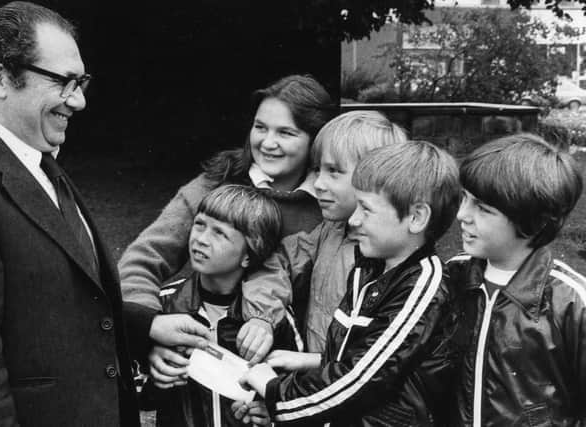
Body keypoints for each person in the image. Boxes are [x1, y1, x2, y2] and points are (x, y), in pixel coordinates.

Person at [0, 2, 197, 425]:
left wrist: (142, 328)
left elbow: (56, 301)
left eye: (80, 82)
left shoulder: (41, 162)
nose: (78, 101)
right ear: (1, 79)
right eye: (64, 82)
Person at [237, 140, 462, 426]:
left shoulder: (422, 287)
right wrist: (309, 362)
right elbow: (362, 354)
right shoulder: (369, 268)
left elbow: (363, 379)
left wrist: (275, 391)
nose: (353, 220)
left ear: (416, 218)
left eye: (366, 209)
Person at [121, 74, 335, 364]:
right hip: (205, 361)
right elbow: (141, 261)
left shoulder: (331, 204)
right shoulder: (216, 185)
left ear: (316, 139)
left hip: (292, 371)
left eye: (286, 133)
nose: (268, 142)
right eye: (260, 128)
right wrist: (152, 329)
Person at [242, 110, 407, 357]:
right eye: (318, 170)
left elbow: (376, 356)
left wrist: (314, 364)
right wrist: (262, 317)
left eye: (334, 171)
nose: (318, 183)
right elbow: (279, 262)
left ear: (376, 179)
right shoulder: (330, 231)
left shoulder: (390, 255)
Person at [447, 133, 585, 426]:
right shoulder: (453, 277)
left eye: (482, 208)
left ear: (533, 222)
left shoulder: (571, 303)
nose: (462, 214)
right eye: (464, 199)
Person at [139, 185, 302, 427]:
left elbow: (301, 393)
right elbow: (134, 393)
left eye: (220, 233)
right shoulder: (163, 306)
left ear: (249, 254)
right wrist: (152, 369)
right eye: (200, 224)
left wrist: (275, 413)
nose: (201, 240)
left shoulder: (273, 319)